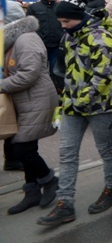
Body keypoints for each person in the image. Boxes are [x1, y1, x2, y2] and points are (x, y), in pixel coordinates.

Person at [38, 0, 112, 227]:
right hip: (73, 106)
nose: (62, 26)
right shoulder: (70, 35)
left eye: (66, 21)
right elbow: (67, 69)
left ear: (78, 17)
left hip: (100, 107)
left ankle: (111, 189)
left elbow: (104, 75)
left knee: (106, 149)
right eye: (61, 22)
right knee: (67, 152)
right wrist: (65, 96)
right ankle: (65, 203)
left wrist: (81, 100)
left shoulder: (100, 38)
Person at [2, 11, 59, 215]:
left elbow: (29, 73)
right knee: (25, 147)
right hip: (24, 101)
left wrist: (2, 85)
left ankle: (49, 180)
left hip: (36, 99)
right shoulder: (12, 39)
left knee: (22, 149)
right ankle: (32, 191)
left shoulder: (26, 38)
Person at [26, 0, 64, 79]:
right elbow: (28, 26)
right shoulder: (33, 8)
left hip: (56, 45)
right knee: (39, 71)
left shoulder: (59, 6)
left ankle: (55, 89)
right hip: (40, 45)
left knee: (55, 71)